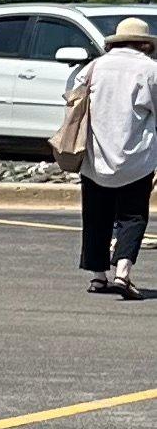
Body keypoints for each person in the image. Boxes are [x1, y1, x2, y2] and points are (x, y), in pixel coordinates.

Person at [76, 17, 157, 298]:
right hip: (136, 157)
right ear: (145, 44)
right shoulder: (150, 70)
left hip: (96, 154)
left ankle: (99, 276)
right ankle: (123, 271)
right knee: (132, 215)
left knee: (97, 214)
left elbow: (73, 99)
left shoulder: (94, 67)